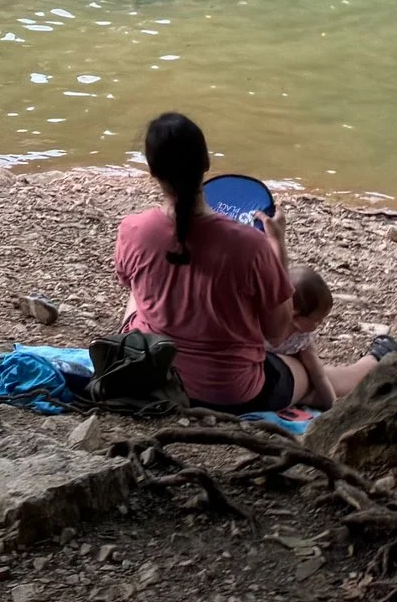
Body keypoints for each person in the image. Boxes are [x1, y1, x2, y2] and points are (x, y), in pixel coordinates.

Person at [114, 112, 297, 414]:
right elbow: (277, 331)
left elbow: (130, 284)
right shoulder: (251, 244)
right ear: (206, 163)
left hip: (149, 375)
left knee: (140, 284)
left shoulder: (133, 229)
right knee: (303, 372)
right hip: (228, 392)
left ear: (152, 170)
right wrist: (277, 243)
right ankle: (370, 367)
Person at [272, 266, 392, 410]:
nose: (320, 324)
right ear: (295, 315)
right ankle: (371, 365)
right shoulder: (264, 327)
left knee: (313, 381)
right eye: (318, 320)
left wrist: (333, 406)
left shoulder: (302, 340)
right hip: (276, 379)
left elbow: (319, 375)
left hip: (282, 378)